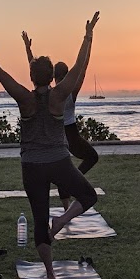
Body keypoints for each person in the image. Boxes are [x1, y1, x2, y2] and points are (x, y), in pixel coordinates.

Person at [0, 13, 101, 279]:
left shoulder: (25, 99)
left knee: (39, 218)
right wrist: (88, 36)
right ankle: (62, 220)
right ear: (52, 76)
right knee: (88, 196)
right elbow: (79, 66)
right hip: (59, 161)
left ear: (31, 75)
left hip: (32, 166)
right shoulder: (59, 96)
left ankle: (50, 275)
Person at [22, 31, 98, 210]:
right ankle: (67, 187)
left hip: (56, 133)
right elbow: (83, 67)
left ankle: (66, 197)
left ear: (54, 77)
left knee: (61, 167)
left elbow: (36, 72)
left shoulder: (50, 92)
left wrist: (28, 49)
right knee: (91, 157)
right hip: (70, 133)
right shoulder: (68, 91)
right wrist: (89, 40)